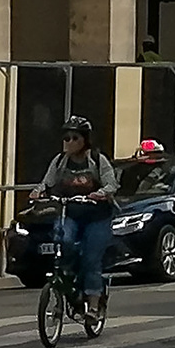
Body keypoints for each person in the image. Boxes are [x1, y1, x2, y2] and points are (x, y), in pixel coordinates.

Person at [37, 116, 116, 319]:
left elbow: (111, 184)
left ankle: (93, 305)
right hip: (70, 213)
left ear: (85, 140)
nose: (68, 142)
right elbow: (47, 182)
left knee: (91, 259)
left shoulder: (98, 159)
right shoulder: (59, 161)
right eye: (66, 137)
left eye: (74, 137)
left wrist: (102, 193)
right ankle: (69, 279)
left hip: (97, 217)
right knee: (63, 241)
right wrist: (39, 192)